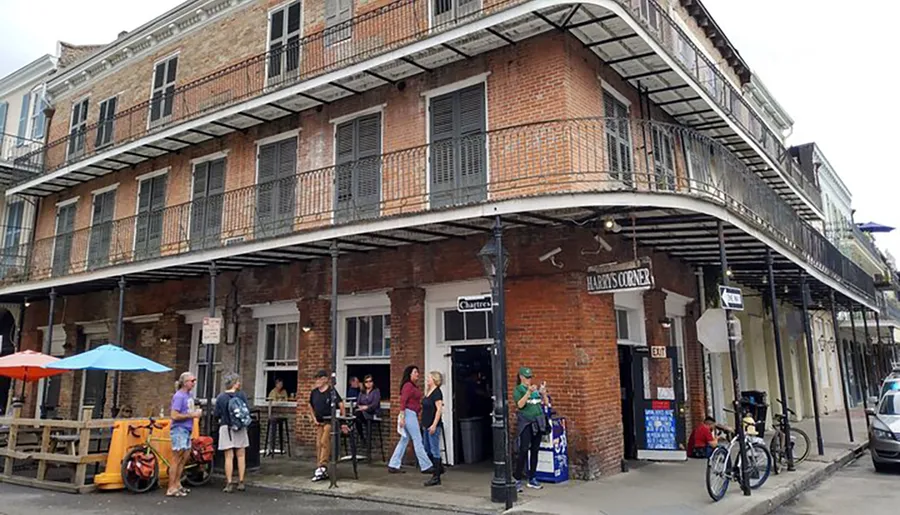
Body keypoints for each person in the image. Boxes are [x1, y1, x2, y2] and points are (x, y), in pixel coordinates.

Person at [387, 365, 433, 474]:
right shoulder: (408, 386)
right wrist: (402, 416)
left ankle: (393, 464)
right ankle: (426, 465)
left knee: (404, 440)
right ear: (410, 374)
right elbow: (403, 401)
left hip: (410, 414)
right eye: (415, 372)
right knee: (417, 439)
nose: (418, 374)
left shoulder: (412, 386)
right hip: (409, 414)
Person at [309, 369, 348, 482]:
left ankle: (323, 465)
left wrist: (343, 421)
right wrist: (313, 418)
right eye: (317, 379)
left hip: (330, 421)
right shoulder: (314, 392)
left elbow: (341, 405)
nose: (318, 381)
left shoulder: (332, 392)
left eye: (320, 379)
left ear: (325, 379)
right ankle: (320, 467)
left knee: (324, 441)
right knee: (318, 444)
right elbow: (310, 405)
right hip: (319, 422)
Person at [214, 373, 251, 493]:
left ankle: (229, 483)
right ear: (234, 383)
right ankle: (241, 481)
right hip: (239, 427)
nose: (239, 383)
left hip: (226, 427)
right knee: (241, 455)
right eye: (238, 381)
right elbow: (247, 410)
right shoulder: (241, 395)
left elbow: (217, 414)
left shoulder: (220, 397)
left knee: (228, 457)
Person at [168, 372, 202, 498]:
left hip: (187, 429)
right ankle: (171, 487)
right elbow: (174, 415)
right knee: (176, 458)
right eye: (191, 381)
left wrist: (195, 412)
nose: (193, 383)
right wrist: (191, 415)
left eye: (194, 381)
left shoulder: (189, 396)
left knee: (184, 458)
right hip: (179, 429)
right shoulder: (179, 396)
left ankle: (177, 484)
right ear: (184, 382)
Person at [513, 366, 547, 491]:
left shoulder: (535, 390)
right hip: (526, 423)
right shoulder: (518, 390)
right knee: (523, 450)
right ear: (521, 377)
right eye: (527, 377)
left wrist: (543, 394)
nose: (529, 380)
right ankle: (517, 478)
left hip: (537, 422)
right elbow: (520, 405)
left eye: (530, 377)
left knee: (535, 450)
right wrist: (528, 392)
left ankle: (532, 477)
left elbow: (545, 404)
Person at [422, 371, 444, 487]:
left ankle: (436, 477)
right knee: (427, 448)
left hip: (432, 425)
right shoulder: (428, 392)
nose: (428, 380)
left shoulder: (437, 393)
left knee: (434, 449)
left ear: (435, 380)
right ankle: (439, 468)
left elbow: (439, 410)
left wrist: (434, 425)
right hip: (425, 424)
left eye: (429, 378)